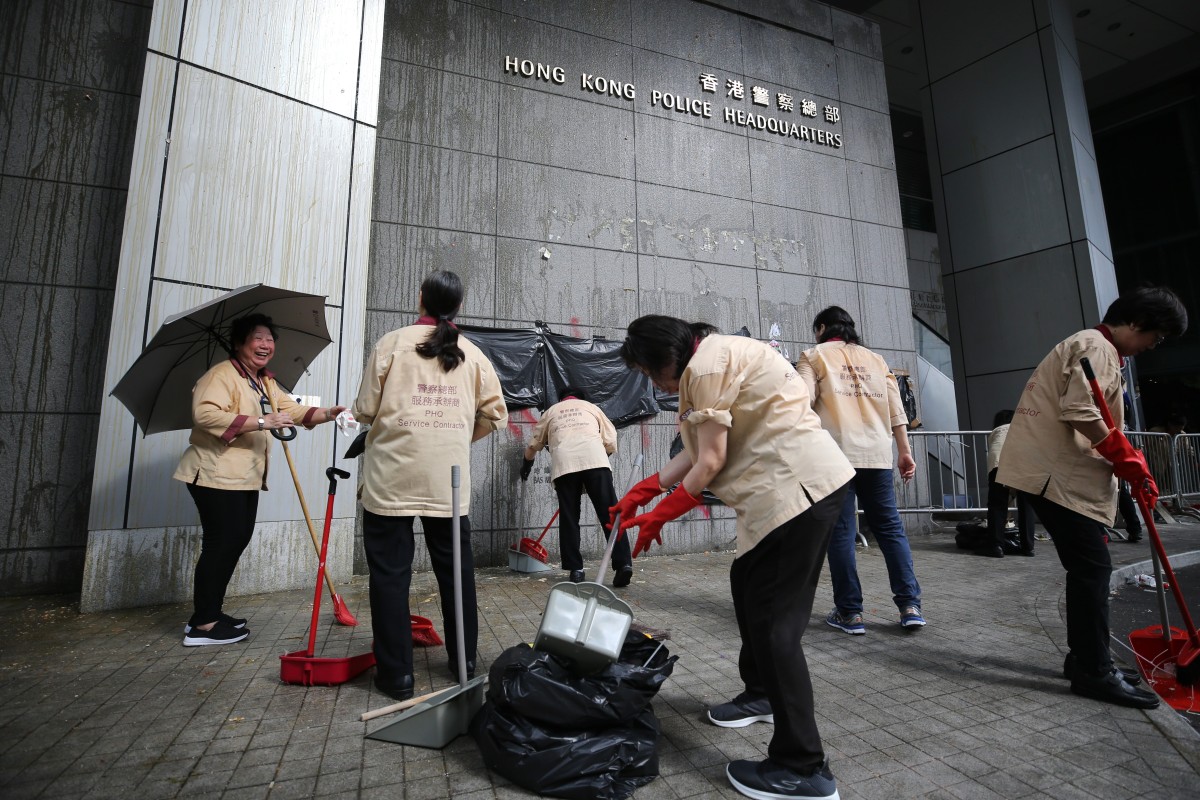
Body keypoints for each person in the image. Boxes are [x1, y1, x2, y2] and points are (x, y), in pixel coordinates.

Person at [613, 314, 855, 800]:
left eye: (646, 372)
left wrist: (663, 513)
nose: (652, 383)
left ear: (663, 359)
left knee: (775, 628)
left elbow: (711, 461)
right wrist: (648, 488)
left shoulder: (704, 367)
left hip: (797, 492)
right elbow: (701, 445)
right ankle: (763, 693)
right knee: (746, 584)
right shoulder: (714, 356)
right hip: (790, 491)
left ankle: (803, 766)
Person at [997, 285, 1187, 709]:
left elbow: (1093, 413)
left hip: (1053, 472)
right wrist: (1125, 457)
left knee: (1088, 569)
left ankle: (1086, 659)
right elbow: (1081, 411)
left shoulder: (1092, 345)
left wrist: (1131, 459)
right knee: (1092, 569)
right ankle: (1093, 670)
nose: (1149, 348)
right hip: (1056, 475)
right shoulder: (1096, 346)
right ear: (1136, 324)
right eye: (1153, 338)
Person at [352, 271, 507, 701]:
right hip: (448, 481)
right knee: (456, 573)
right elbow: (496, 415)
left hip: (390, 477)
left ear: (420, 298)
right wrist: (458, 435)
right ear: (458, 306)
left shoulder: (392, 343)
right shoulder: (472, 353)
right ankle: (464, 661)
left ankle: (397, 676)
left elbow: (365, 410)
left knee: (389, 575)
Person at [174, 314, 346, 646]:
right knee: (221, 544)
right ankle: (203, 625)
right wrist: (261, 421)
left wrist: (328, 414)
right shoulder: (221, 375)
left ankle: (210, 612)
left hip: (241, 477)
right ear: (239, 342)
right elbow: (205, 414)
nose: (265, 345)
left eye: (269, 338)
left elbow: (290, 410)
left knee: (234, 541)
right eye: (257, 338)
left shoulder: (261, 380)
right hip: (213, 474)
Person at [795, 306, 925, 634]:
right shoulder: (876, 360)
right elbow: (897, 411)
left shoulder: (813, 356)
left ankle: (850, 613)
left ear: (822, 327)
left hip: (835, 456)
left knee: (840, 533)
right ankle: (910, 606)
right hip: (878, 455)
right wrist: (905, 453)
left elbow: (801, 400)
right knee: (890, 529)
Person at [520, 387, 632, 586]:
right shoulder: (591, 408)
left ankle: (576, 570)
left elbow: (532, 446)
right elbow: (611, 440)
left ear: (562, 399)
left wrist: (526, 466)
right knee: (610, 514)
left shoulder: (551, 411)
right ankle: (623, 564)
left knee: (569, 517)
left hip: (565, 465)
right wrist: (600, 458)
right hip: (596, 462)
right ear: (581, 398)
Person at [979, 409, 1035, 557]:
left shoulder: (996, 432)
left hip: (999, 463)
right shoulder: (1023, 428)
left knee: (997, 505)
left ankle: (996, 546)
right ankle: (1028, 547)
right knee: (1027, 505)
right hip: (1025, 463)